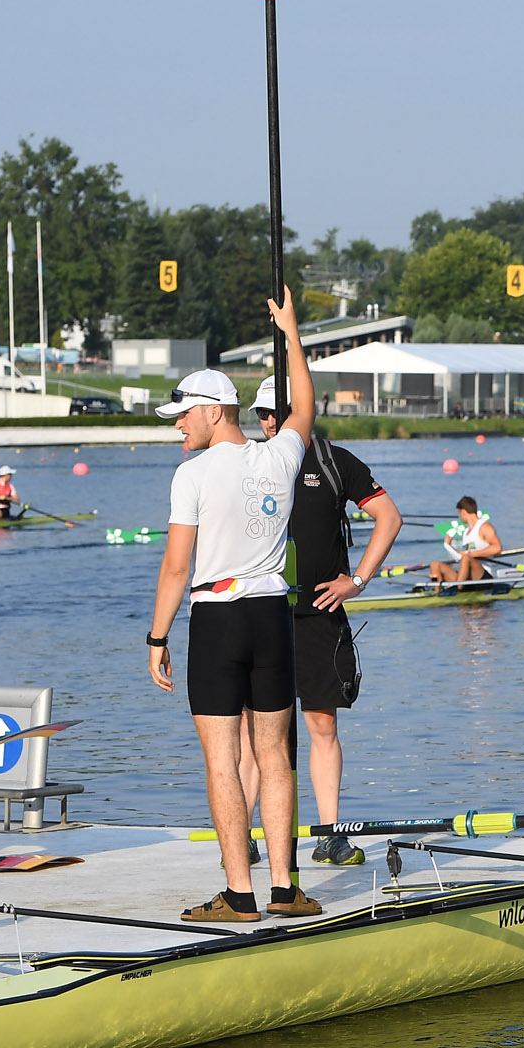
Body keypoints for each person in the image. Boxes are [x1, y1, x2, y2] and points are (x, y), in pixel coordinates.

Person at [146, 289, 316, 924]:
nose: (179, 424)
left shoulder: (190, 477)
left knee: (223, 760)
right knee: (274, 756)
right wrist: (292, 334)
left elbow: (174, 567)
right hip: (273, 616)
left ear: (217, 411)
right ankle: (283, 888)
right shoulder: (281, 457)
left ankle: (240, 896)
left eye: (186, 414)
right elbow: (305, 405)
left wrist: (156, 638)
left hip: (216, 620)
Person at [241, 372, 403, 866]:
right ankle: (242, 833)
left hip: (318, 614)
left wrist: (358, 580)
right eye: (262, 415)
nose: (268, 422)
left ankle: (330, 834)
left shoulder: (334, 462)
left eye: (275, 413)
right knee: (253, 731)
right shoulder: (251, 462)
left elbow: (389, 518)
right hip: (262, 611)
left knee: (321, 725)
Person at [430, 495, 500, 586]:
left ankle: (459, 588)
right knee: (435, 564)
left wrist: (472, 554)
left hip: (482, 576)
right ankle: (436, 592)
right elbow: (461, 556)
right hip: (467, 576)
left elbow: (497, 548)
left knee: (467, 558)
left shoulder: (484, 527)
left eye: (459, 514)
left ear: (462, 512)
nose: (460, 517)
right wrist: (448, 545)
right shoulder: (466, 532)